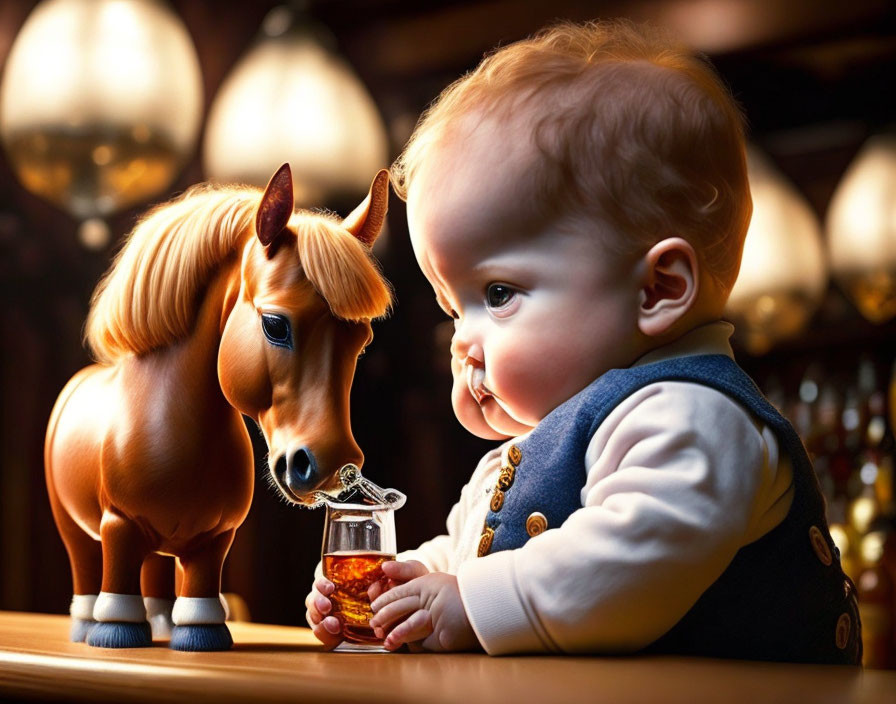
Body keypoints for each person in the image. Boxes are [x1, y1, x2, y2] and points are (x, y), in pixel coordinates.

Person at [305, 19, 861, 663]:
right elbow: (468, 555)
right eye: (453, 310)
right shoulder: (538, 450)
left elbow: (625, 564)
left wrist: (465, 604)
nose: (462, 343)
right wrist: (395, 587)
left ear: (656, 288)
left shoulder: (694, 417)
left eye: (498, 295)